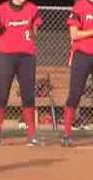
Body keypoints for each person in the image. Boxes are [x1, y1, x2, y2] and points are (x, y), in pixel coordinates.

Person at [0, 0, 43, 146]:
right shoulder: (1, 9)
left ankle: (31, 134)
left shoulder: (32, 8)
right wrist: (1, 46)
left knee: (28, 95)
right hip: (5, 57)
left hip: (26, 57)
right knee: (2, 94)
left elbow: (36, 25)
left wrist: (30, 34)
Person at [62, 0, 93, 147]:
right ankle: (66, 135)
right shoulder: (80, 5)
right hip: (82, 55)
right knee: (75, 94)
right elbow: (74, 34)